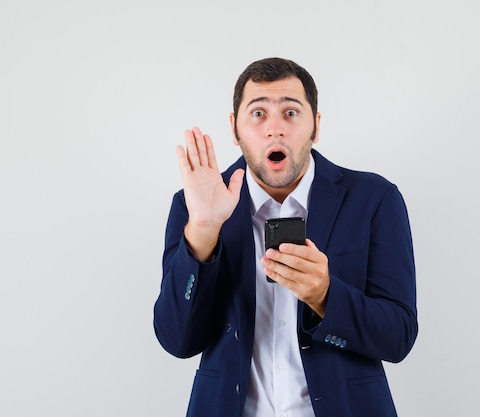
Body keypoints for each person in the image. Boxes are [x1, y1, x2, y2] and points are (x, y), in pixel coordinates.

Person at [153, 57, 418, 417]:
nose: (274, 129)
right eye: (258, 113)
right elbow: (177, 340)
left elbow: (398, 336)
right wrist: (203, 231)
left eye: (291, 113)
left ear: (316, 126)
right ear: (235, 129)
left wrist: (325, 296)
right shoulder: (195, 205)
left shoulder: (374, 199)